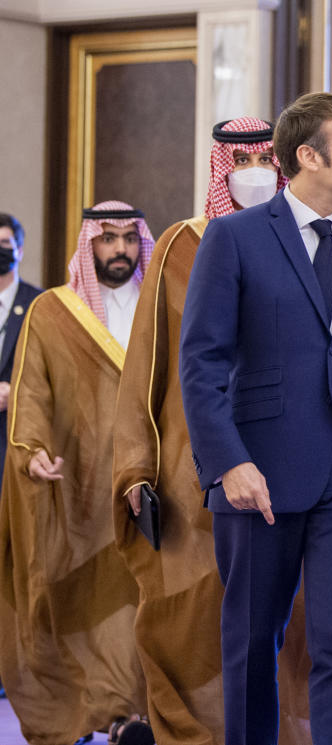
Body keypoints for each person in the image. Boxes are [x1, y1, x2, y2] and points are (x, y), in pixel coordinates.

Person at [179, 92, 332, 745]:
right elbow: (200, 362)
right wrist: (228, 460)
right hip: (258, 472)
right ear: (308, 157)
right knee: (254, 640)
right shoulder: (233, 238)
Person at [112, 117, 314, 744]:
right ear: (219, 166)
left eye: (264, 156)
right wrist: (136, 467)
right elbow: (147, 365)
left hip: (283, 460)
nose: (253, 168)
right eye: (241, 157)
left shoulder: (306, 239)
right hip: (188, 468)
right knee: (186, 615)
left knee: (279, 615)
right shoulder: (179, 245)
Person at [0, 201, 154, 745]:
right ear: (88, 245)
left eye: (130, 239)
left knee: (147, 596)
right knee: (86, 597)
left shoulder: (163, 303)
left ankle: (136, 713)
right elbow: (31, 393)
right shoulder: (53, 311)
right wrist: (32, 449)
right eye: (107, 239)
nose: (120, 250)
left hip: (154, 478)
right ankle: (98, 712)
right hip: (80, 480)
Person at [0, 214, 42, 486]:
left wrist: (14, 391)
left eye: (5, 242)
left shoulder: (39, 303)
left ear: (20, 249)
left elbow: (50, 370)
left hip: (16, 436)